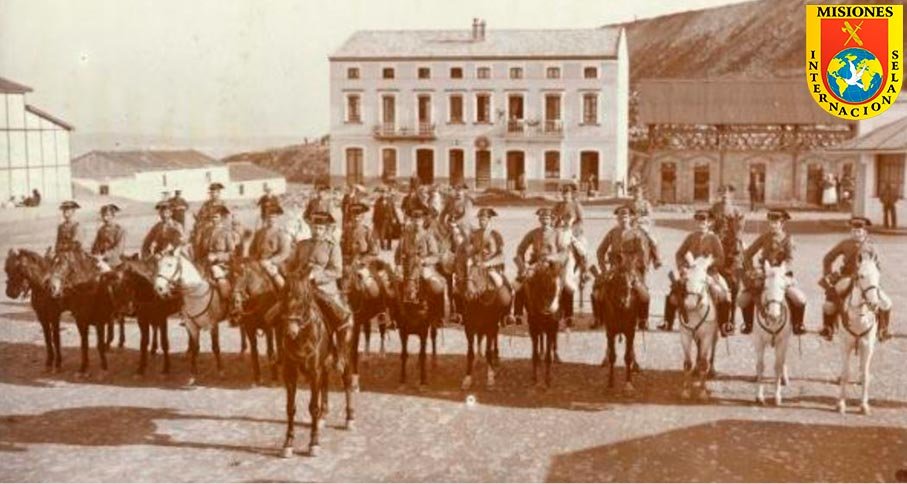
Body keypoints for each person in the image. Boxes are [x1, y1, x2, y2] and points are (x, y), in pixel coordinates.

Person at [283, 211, 353, 359]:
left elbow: (337, 271)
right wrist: (294, 275)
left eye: (320, 228)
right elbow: (290, 265)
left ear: (326, 229)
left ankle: (340, 352)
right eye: (314, 228)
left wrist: (316, 276)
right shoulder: (302, 245)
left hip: (323, 287)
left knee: (338, 315)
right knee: (281, 308)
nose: (317, 231)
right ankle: (282, 348)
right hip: (301, 286)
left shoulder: (332, 246)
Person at [820, 216, 892, 342]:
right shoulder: (845, 244)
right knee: (829, 303)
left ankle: (883, 329)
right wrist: (828, 274)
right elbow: (828, 258)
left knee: (886, 302)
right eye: (853, 231)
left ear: (865, 232)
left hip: (866, 280)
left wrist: (873, 278)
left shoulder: (871, 247)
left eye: (859, 231)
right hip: (848, 277)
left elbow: (877, 266)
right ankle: (828, 327)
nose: (856, 233)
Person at [738, 209, 807, 336]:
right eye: (771, 223)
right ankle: (748, 324)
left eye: (776, 223)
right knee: (743, 299)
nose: (773, 226)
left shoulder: (788, 239)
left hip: (782, 274)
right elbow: (747, 255)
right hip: (765, 274)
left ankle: (798, 324)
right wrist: (751, 270)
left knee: (799, 299)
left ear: (782, 224)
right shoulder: (764, 237)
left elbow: (790, 259)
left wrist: (781, 269)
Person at [664, 210, 731, 333]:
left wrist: (710, 263)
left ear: (709, 222)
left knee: (724, 294)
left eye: (704, 221)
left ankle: (724, 324)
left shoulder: (714, 238)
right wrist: (682, 267)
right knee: (674, 292)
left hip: (709, 272)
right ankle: (667, 321)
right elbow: (679, 254)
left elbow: (721, 258)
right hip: (691, 272)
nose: (701, 223)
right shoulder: (691, 237)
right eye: (699, 221)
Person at [595, 205, 653, 330]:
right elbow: (600, 251)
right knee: (599, 291)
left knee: (644, 294)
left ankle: (643, 319)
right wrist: (603, 268)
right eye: (620, 216)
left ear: (631, 217)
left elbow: (642, 253)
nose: (623, 219)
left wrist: (633, 264)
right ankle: (598, 318)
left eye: (626, 216)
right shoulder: (612, 233)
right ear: (617, 218)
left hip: (631, 268)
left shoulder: (637, 234)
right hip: (614, 267)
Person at [461, 207, 513, 310]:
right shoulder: (474, 234)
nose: (481, 222)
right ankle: (460, 312)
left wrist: (487, 263)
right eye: (479, 219)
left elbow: (501, 256)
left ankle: (508, 314)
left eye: (483, 219)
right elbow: (469, 250)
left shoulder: (495, 235)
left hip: (491, 266)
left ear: (489, 220)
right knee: (460, 285)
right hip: (475, 265)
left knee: (501, 284)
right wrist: (471, 256)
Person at [395, 203, 445, 304]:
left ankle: (438, 315)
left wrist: (425, 260)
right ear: (412, 220)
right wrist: (399, 265)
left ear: (423, 221)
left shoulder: (428, 236)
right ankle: (397, 315)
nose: (417, 222)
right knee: (396, 285)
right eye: (415, 220)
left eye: (420, 220)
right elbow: (398, 253)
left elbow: (435, 255)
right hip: (407, 266)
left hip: (423, 266)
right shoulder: (405, 235)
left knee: (436, 286)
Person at [341, 202, 392, 299]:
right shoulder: (346, 230)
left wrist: (362, 260)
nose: (356, 218)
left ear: (362, 217)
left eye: (359, 216)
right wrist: (345, 259)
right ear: (351, 216)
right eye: (354, 216)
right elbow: (341, 249)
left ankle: (377, 305)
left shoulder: (367, 231)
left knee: (371, 286)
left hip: (362, 264)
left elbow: (374, 251)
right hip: (347, 264)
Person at [249, 202, 292, 288]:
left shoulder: (281, 234)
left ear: (278, 218)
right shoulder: (259, 233)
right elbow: (252, 250)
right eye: (268, 217)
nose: (271, 220)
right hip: (259, 261)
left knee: (275, 276)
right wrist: (255, 259)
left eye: (274, 217)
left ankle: (283, 294)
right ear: (265, 218)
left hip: (274, 263)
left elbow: (285, 253)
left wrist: (271, 261)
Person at [204, 205, 235, 301]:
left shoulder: (226, 232)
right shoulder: (207, 232)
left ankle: (227, 304)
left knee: (220, 278)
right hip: (206, 262)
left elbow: (232, 253)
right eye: (212, 217)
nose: (213, 219)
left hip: (222, 264)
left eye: (216, 217)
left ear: (221, 218)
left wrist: (217, 257)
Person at [91, 204, 126, 272]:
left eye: (107, 215)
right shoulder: (101, 230)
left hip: (114, 262)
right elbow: (95, 246)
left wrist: (104, 255)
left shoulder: (119, 230)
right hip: (100, 261)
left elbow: (119, 249)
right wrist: (95, 255)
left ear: (113, 216)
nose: (105, 218)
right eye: (103, 215)